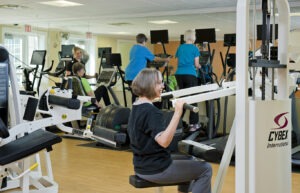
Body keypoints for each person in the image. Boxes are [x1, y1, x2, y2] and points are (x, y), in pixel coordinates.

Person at [127, 68, 212, 193]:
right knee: (205, 169)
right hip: (157, 169)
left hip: (141, 166)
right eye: (160, 83)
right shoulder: (152, 112)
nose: (163, 86)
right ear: (149, 84)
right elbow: (164, 142)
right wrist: (177, 113)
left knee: (189, 160)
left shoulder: (136, 107)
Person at [125, 33, 170, 103]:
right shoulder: (143, 49)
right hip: (137, 74)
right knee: (141, 94)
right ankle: (141, 109)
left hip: (129, 74)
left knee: (135, 94)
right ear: (144, 41)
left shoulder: (133, 48)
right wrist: (165, 59)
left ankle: (135, 110)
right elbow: (154, 58)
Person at [175, 30, 201, 131]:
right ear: (193, 37)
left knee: (182, 99)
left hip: (179, 75)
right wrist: (200, 66)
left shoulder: (180, 47)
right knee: (193, 99)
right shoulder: (194, 48)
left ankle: (177, 123)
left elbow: (178, 62)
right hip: (190, 74)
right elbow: (196, 64)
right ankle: (193, 125)